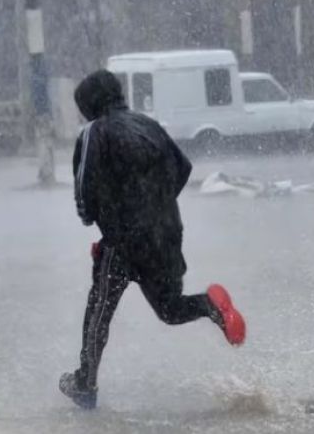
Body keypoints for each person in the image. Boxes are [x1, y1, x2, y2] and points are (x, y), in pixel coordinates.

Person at [59, 70, 245, 409]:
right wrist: (153, 207)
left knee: (99, 309)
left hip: (122, 241)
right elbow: (183, 167)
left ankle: (85, 383)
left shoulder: (94, 132)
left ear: (88, 104)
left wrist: (98, 218)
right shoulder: (148, 125)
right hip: (166, 234)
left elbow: (84, 191)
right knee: (170, 308)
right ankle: (210, 306)